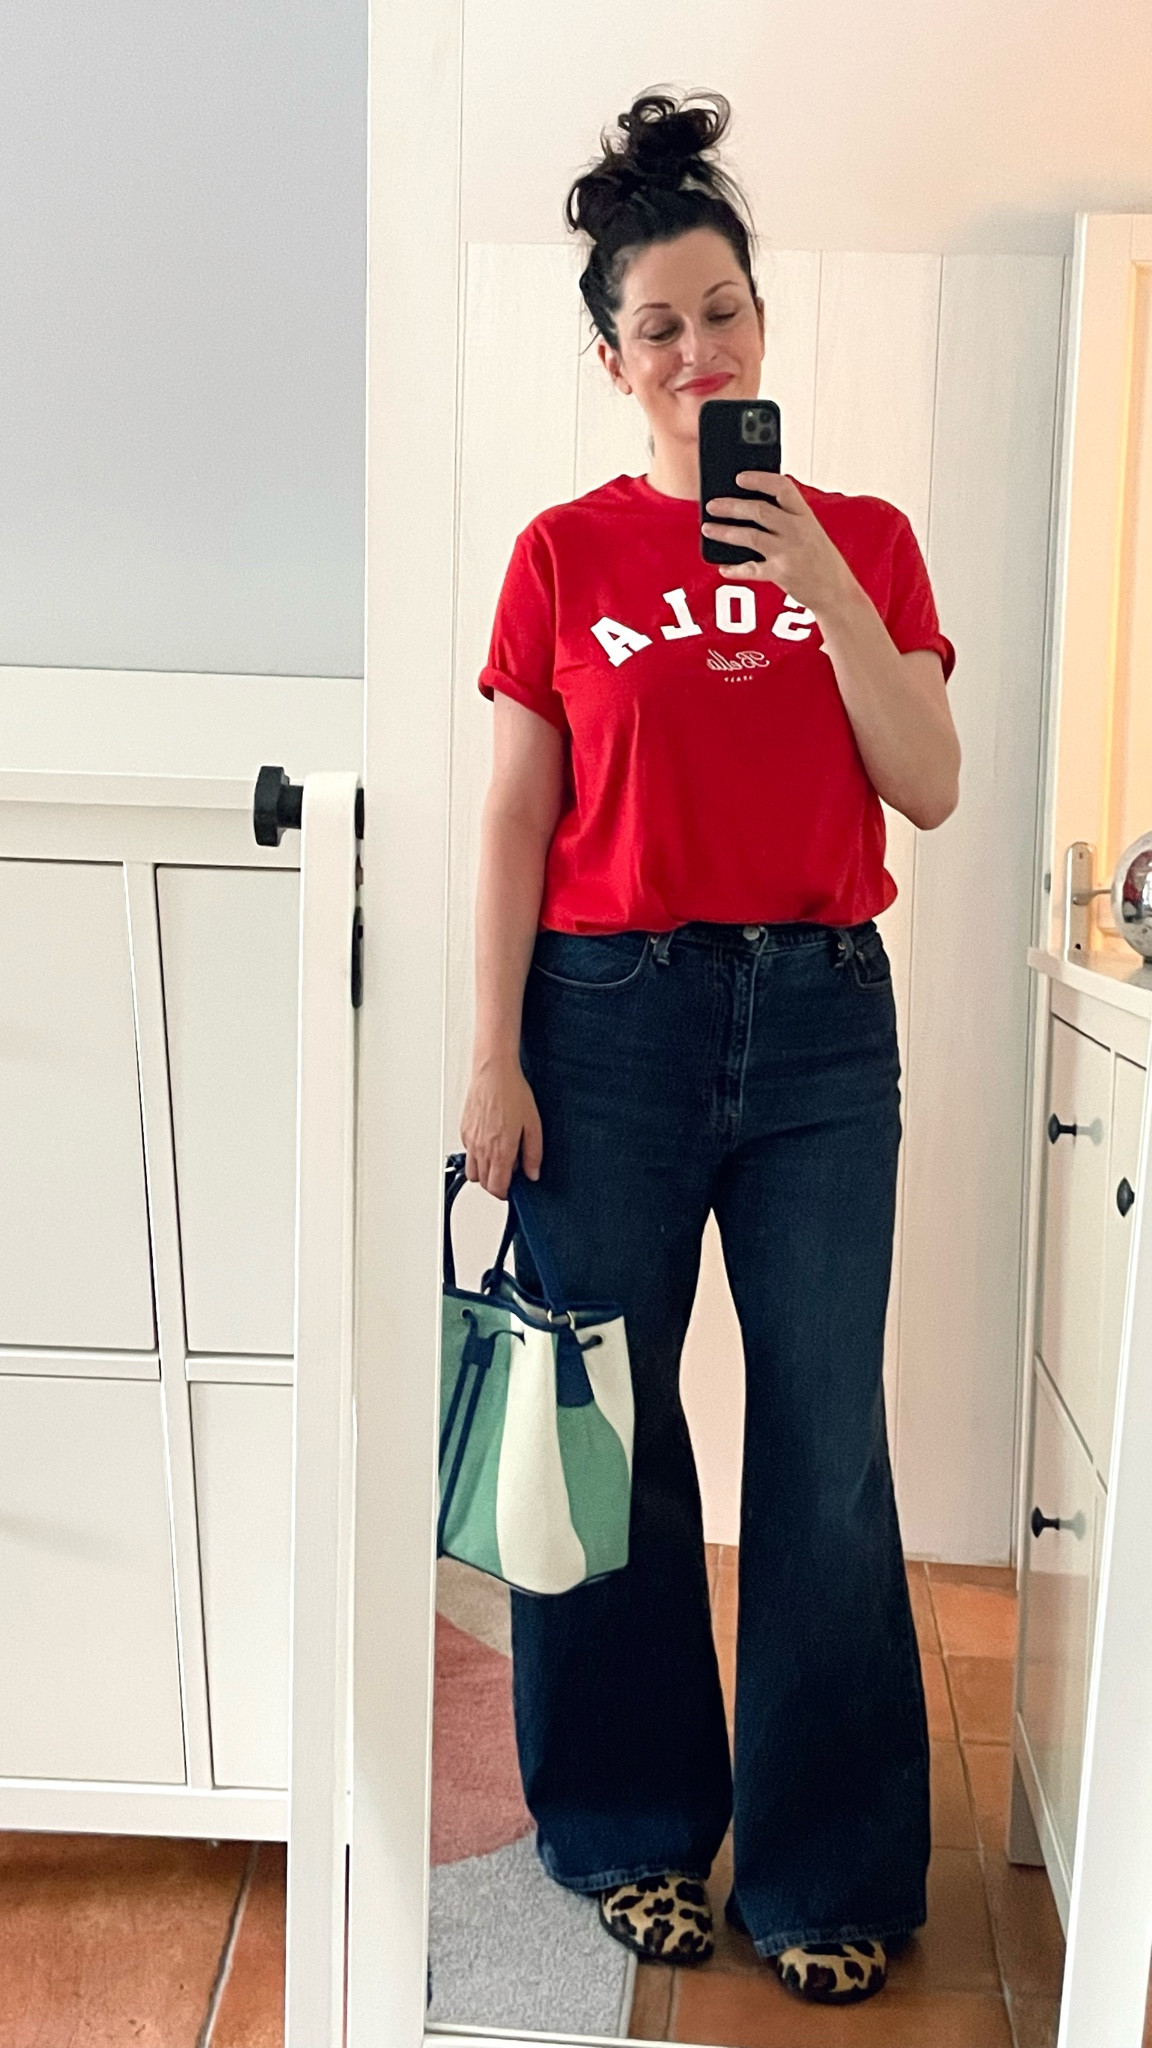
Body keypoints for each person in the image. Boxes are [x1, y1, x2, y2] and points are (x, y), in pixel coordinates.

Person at [460, 88, 959, 2007]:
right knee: (617, 1435)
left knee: (825, 1448)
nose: (699, 352)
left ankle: (827, 1867)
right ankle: (631, 1830)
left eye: (725, 312)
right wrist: (489, 1055)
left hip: (828, 1029)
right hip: (606, 1027)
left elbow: (922, 785)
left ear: (765, 325)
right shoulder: (563, 556)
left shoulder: (874, 542)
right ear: (611, 358)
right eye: (659, 326)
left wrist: (817, 576)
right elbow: (515, 818)